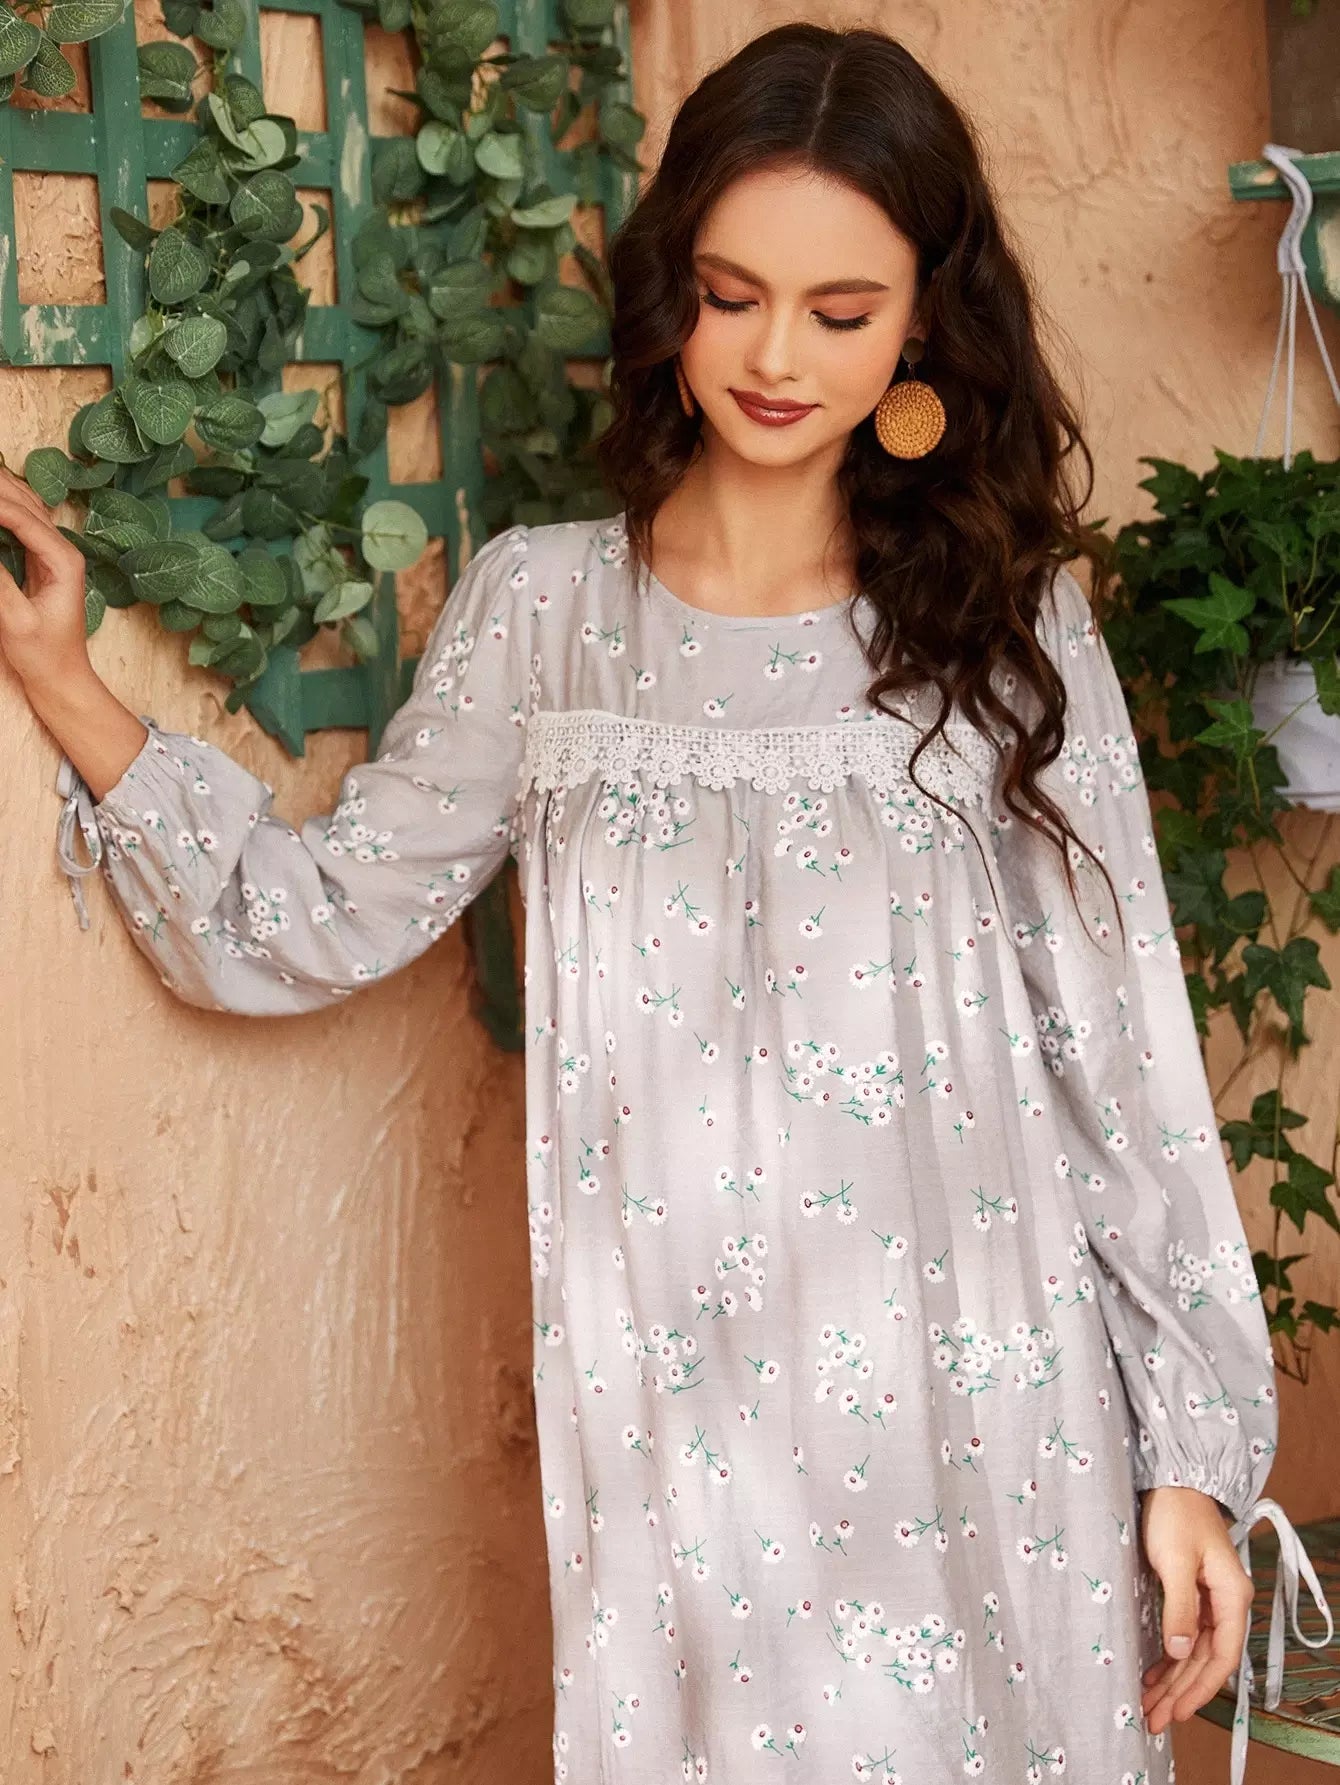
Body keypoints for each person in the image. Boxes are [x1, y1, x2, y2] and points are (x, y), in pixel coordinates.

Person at [3, 20, 1332, 1784]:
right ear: (672, 292)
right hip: (691, 1461)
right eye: (732, 295)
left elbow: (1121, 1063)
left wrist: (1188, 1456)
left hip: (995, 1422)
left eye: (841, 312)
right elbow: (318, 912)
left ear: (924, 325)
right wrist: (67, 679)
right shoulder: (543, 616)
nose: (776, 358)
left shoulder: (1006, 635)